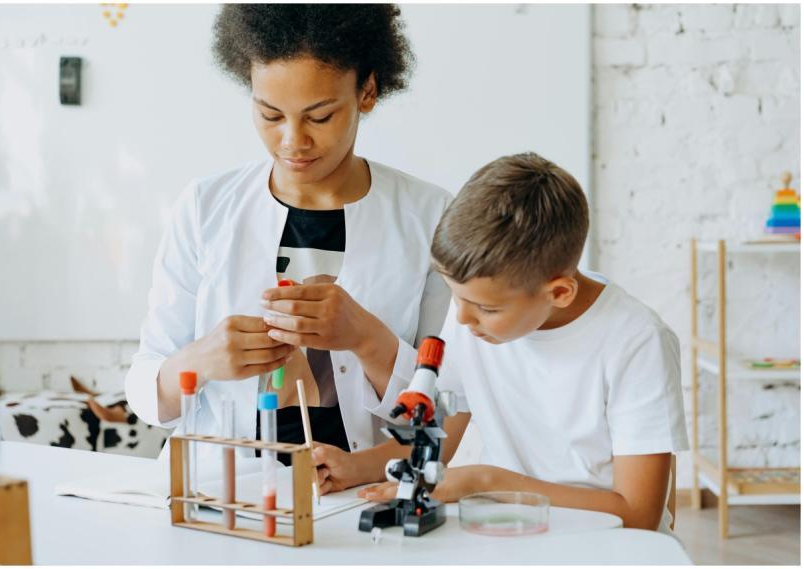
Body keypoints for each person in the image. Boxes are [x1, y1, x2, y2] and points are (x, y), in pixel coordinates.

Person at [125, 4, 451, 467]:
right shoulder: (205, 207)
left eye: (319, 117)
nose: (292, 141)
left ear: (368, 91)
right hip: (224, 495)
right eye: (270, 114)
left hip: (363, 498)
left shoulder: (431, 217)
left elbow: (449, 406)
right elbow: (145, 391)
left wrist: (366, 338)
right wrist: (200, 360)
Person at [355, 153, 689, 533]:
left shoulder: (637, 341)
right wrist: (352, 467)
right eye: (455, 296)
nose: (462, 318)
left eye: (484, 307)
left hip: (606, 545)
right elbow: (438, 438)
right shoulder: (474, 314)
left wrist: (487, 482)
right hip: (513, 532)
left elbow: (639, 515)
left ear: (559, 292)